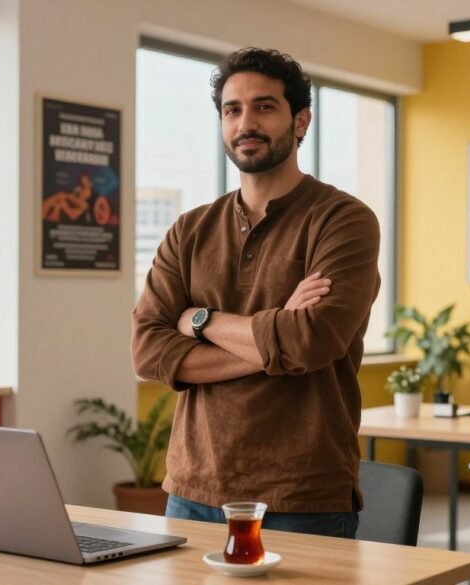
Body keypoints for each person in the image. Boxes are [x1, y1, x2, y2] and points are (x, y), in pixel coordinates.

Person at [130, 48, 380, 539]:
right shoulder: (190, 229)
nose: (246, 122)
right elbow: (147, 351)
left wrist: (199, 321)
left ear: (301, 120)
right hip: (192, 490)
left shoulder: (344, 220)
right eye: (232, 109)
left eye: (264, 106)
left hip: (301, 495)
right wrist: (275, 335)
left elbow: (311, 342)